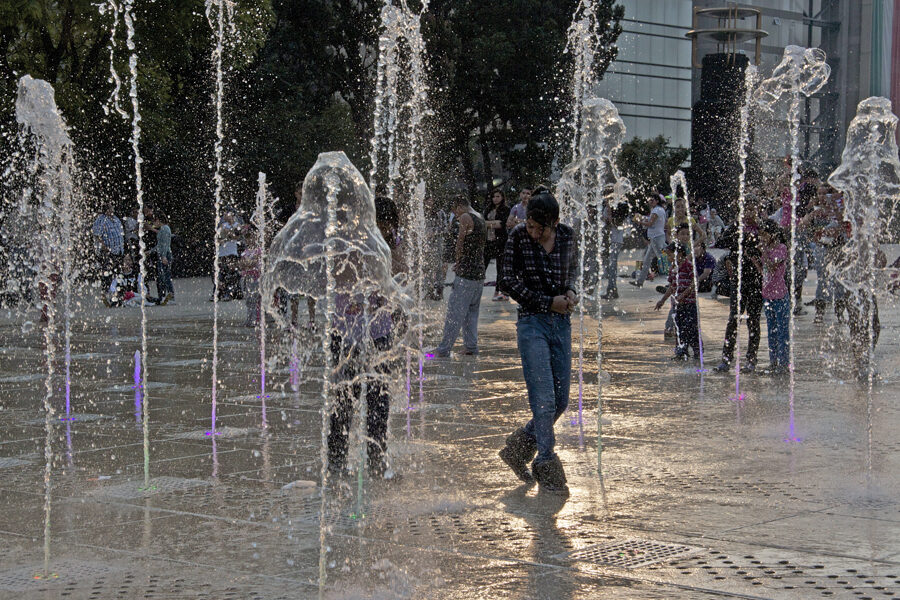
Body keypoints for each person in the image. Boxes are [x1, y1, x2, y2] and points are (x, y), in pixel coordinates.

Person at [497, 189, 577, 495]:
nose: (531, 232)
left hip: (562, 324)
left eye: (538, 228)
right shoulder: (518, 237)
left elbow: (569, 275)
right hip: (532, 323)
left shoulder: (568, 237)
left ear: (554, 223)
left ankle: (518, 446)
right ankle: (546, 462)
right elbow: (506, 280)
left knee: (560, 402)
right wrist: (547, 302)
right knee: (543, 400)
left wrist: (570, 293)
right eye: (529, 225)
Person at [328, 196, 406, 480]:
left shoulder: (389, 243)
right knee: (344, 400)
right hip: (347, 333)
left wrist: (388, 251)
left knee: (379, 400)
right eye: (383, 224)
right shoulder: (348, 240)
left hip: (380, 333)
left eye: (389, 225)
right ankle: (336, 463)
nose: (385, 230)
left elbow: (401, 272)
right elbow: (338, 276)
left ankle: (376, 462)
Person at [430, 196, 486, 357]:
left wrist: (458, 261)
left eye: (455, 211)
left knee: (455, 312)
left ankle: (443, 349)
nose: (455, 215)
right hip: (479, 272)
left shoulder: (466, 217)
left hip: (466, 274)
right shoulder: (480, 216)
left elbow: (460, 243)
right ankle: (471, 346)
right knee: (471, 312)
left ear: (459, 206)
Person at [714, 223, 763, 373]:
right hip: (738, 282)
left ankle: (751, 360)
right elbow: (720, 242)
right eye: (746, 208)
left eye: (752, 207)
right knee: (733, 320)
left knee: (753, 321)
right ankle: (726, 359)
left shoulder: (760, 228)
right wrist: (737, 236)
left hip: (755, 283)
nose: (749, 211)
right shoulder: (736, 227)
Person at [752, 220, 790, 376]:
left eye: (764, 235)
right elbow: (765, 272)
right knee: (771, 331)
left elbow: (774, 267)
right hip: (767, 295)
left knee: (782, 331)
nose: (762, 239)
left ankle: (784, 363)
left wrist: (763, 254)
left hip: (780, 296)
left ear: (773, 234)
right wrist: (756, 263)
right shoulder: (766, 249)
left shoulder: (781, 249)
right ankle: (773, 362)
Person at [655, 242, 700, 360]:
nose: (669, 258)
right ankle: (681, 352)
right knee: (679, 328)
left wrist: (683, 295)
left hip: (689, 304)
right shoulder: (672, 268)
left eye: (670, 255)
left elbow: (693, 284)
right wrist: (662, 300)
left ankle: (697, 351)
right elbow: (671, 286)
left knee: (691, 328)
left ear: (679, 254)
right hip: (678, 304)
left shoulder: (688, 266)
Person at [629, 194, 668, 288]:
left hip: (656, 238)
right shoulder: (659, 210)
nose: (650, 202)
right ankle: (640, 281)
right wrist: (643, 218)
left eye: (652, 200)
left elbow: (650, 224)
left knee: (663, 259)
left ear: (657, 201)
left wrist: (639, 222)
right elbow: (652, 221)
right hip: (656, 237)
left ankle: (670, 281)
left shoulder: (656, 210)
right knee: (647, 260)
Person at [91, 203, 124, 298]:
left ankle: (117, 291)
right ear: (107, 210)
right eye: (111, 209)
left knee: (117, 272)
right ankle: (106, 292)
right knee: (107, 272)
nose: (113, 210)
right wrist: (103, 246)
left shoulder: (115, 218)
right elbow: (96, 234)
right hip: (108, 250)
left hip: (118, 250)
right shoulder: (101, 219)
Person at [483, 189, 510, 301]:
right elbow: (483, 222)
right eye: (494, 196)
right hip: (488, 241)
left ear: (502, 197)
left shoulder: (506, 209)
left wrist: (489, 224)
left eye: (498, 196)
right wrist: (493, 223)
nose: (495, 198)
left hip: (500, 241)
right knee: (483, 264)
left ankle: (498, 291)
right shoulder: (488, 209)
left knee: (500, 268)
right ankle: (476, 288)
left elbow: (502, 224)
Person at [601, 201, 628, 300]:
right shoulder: (608, 207)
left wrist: (609, 211)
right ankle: (611, 288)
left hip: (615, 241)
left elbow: (617, 224)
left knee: (612, 267)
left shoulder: (618, 206)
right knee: (608, 266)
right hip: (610, 241)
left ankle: (612, 290)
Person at [239, 225, 261, 327]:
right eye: (247, 238)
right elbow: (242, 264)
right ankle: (249, 318)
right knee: (248, 299)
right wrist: (248, 263)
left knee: (255, 298)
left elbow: (253, 262)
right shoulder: (245, 252)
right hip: (247, 277)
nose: (249, 240)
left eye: (251, 238)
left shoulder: (258, 250)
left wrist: (248, 263)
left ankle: (256, 319)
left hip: (256, 277)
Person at [150, 212, 174, 305]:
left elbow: (164, 244)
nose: (154, 223)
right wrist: (151, 251)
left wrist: (163, 256)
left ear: (159, 221)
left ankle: (170, 296)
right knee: (164, 276)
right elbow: (160, 245)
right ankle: (167, 295)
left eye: (155, 221)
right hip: (164, 253)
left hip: (165, 254)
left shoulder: (164, 229)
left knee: (165, 276)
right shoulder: (164, 229)